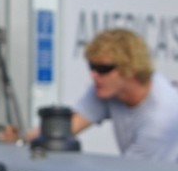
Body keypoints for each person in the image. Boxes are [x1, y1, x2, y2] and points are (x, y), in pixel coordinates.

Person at [27, 28, 178, 160]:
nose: (94, 75)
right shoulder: (107, 90)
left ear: (131, 69)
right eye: (92, 66)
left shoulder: (164, 115)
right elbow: (60, 132)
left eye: (103, 69)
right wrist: (17, 139)